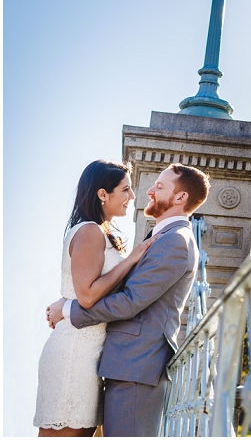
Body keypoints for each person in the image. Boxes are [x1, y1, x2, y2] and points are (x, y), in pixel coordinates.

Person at [45, 163, 209, 437]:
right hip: (120, 363)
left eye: (159, 186)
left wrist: (69, 309)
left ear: (181, 198)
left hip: (135, 365)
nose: (148, 191)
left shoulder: (176, 241)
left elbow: (130, 301)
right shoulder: (162, 236)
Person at [34, 160, 155, 436]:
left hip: (92, 353)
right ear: (103, 194)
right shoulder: (89, 231)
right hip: (74, 352)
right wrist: (133, 258)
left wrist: (63, 305)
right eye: (125, 189)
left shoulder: (106, 233)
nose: (132, 197)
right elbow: (87, 295)